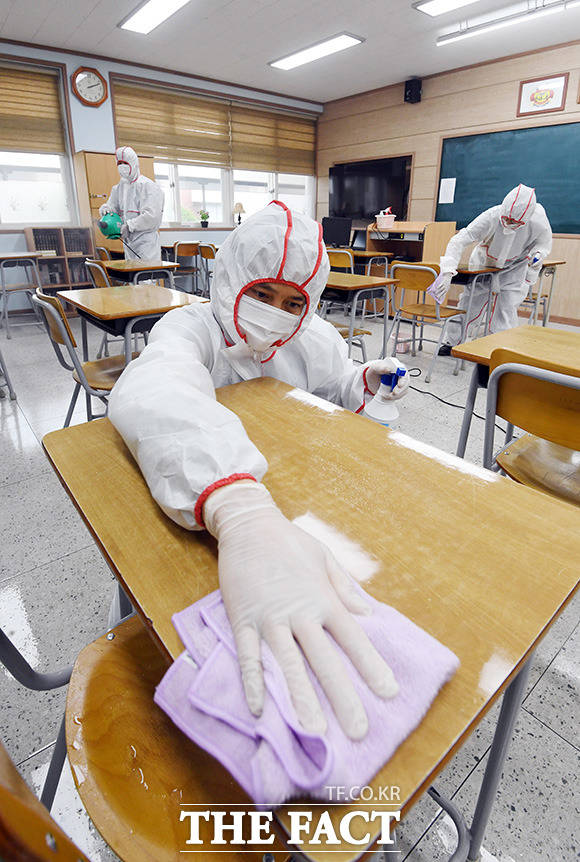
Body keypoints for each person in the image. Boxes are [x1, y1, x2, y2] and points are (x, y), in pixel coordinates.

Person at [109, 201, 409, 741]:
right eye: (262, 293)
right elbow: (157, 387)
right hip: (205, 507)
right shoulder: (191, 328)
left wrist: (362, 381)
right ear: (232, 278)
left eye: (293, 302)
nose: (275, 313)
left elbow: (331, 386)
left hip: (292, 508)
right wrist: (239, 508)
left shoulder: (311, 338)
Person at [433, 184, 552, 354]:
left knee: (506, 309)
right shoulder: (492, 215)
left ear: (525, 219)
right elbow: (461, 239)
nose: (508, 223)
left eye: (514, 222)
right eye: (506, 219)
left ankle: (498, 351)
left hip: (514, 267)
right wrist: (447, 271)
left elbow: (543, 244)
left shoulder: (538, 221)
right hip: (484, 265)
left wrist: (538, 254)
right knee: (469, 304)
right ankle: (452, 343)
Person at [99, 146, 164, 260]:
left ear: (133, 163)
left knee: (147, 271)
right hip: (128, 242)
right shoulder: (119, 188)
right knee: (131, 271)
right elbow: (113, 208)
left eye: (125, 163)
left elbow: (152, 217)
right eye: (119, 163)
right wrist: (106, 210)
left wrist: (130, 226)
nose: (122, 166)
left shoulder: (147, 186)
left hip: (146, 243)